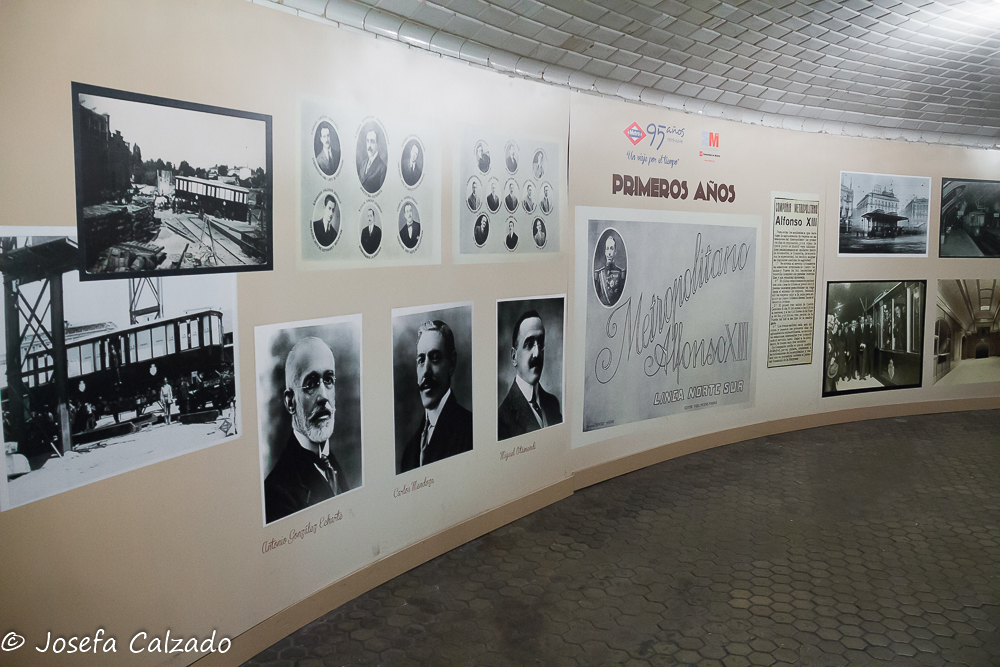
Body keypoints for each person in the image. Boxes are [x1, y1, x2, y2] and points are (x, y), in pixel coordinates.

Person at [264, 337, 350, 523]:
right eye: (311, 384)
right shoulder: (276, 494)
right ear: (290, 402)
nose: (323, 396)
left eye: (329, 380)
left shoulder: (331, 462)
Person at [400, 321, 473, 472]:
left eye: (434, 358)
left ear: (451, 364)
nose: (426, 371)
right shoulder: (410, 451)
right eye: (421, 360)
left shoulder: (470, 431)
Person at [498, 310, 562, 440]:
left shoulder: (552, 403)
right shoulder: (502, 419)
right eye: (529, 344)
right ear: (514, 357)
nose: (537, 353)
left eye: (540, 343)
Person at [594, 234, 626, 306]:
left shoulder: (621, 274)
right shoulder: (599, 274)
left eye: (611, 249)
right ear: (605, 252)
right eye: (607, 249)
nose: (609, 253)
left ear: (615, 252)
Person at [360, 128, 387, 193]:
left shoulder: (382, 168)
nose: (369, 146)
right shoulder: (363, 164)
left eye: (372, 142)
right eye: (367, 141)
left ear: (377, 145)